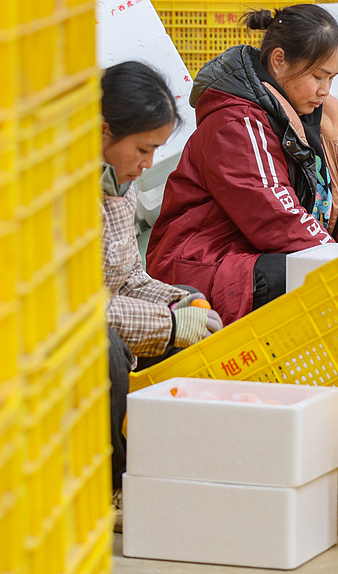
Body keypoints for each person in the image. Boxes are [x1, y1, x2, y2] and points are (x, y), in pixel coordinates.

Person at [146, 4, 338, 326]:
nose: (325, 89)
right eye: (317, 76)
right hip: (205, 263)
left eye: (332, 78)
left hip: (254, 253)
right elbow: (276, 217)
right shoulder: (236, 123)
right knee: (320, 279)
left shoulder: (316, 119)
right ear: (279, 61)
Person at [100, 61, 223, 494]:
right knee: (106, 350)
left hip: (109, 310)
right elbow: (71, 308)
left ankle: (161, 457)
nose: (148, 164)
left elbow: (129, 276)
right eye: (143, 149)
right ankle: (112, 480)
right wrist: (169, 324)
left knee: (188, 298)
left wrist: (177, 303)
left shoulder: (117, 183)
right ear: (102, 133)